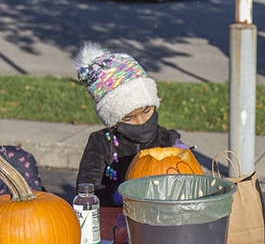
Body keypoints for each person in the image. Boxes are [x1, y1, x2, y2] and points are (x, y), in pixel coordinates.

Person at [74, 42, 186, 206]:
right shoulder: (101, 143)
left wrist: (186, 159)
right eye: (128, 118)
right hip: (114, 222)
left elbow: (188, 181)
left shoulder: (169, 140)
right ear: (113, 118)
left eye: (146, 111)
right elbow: (86, 190)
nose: (141, 122)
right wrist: (117, 196)